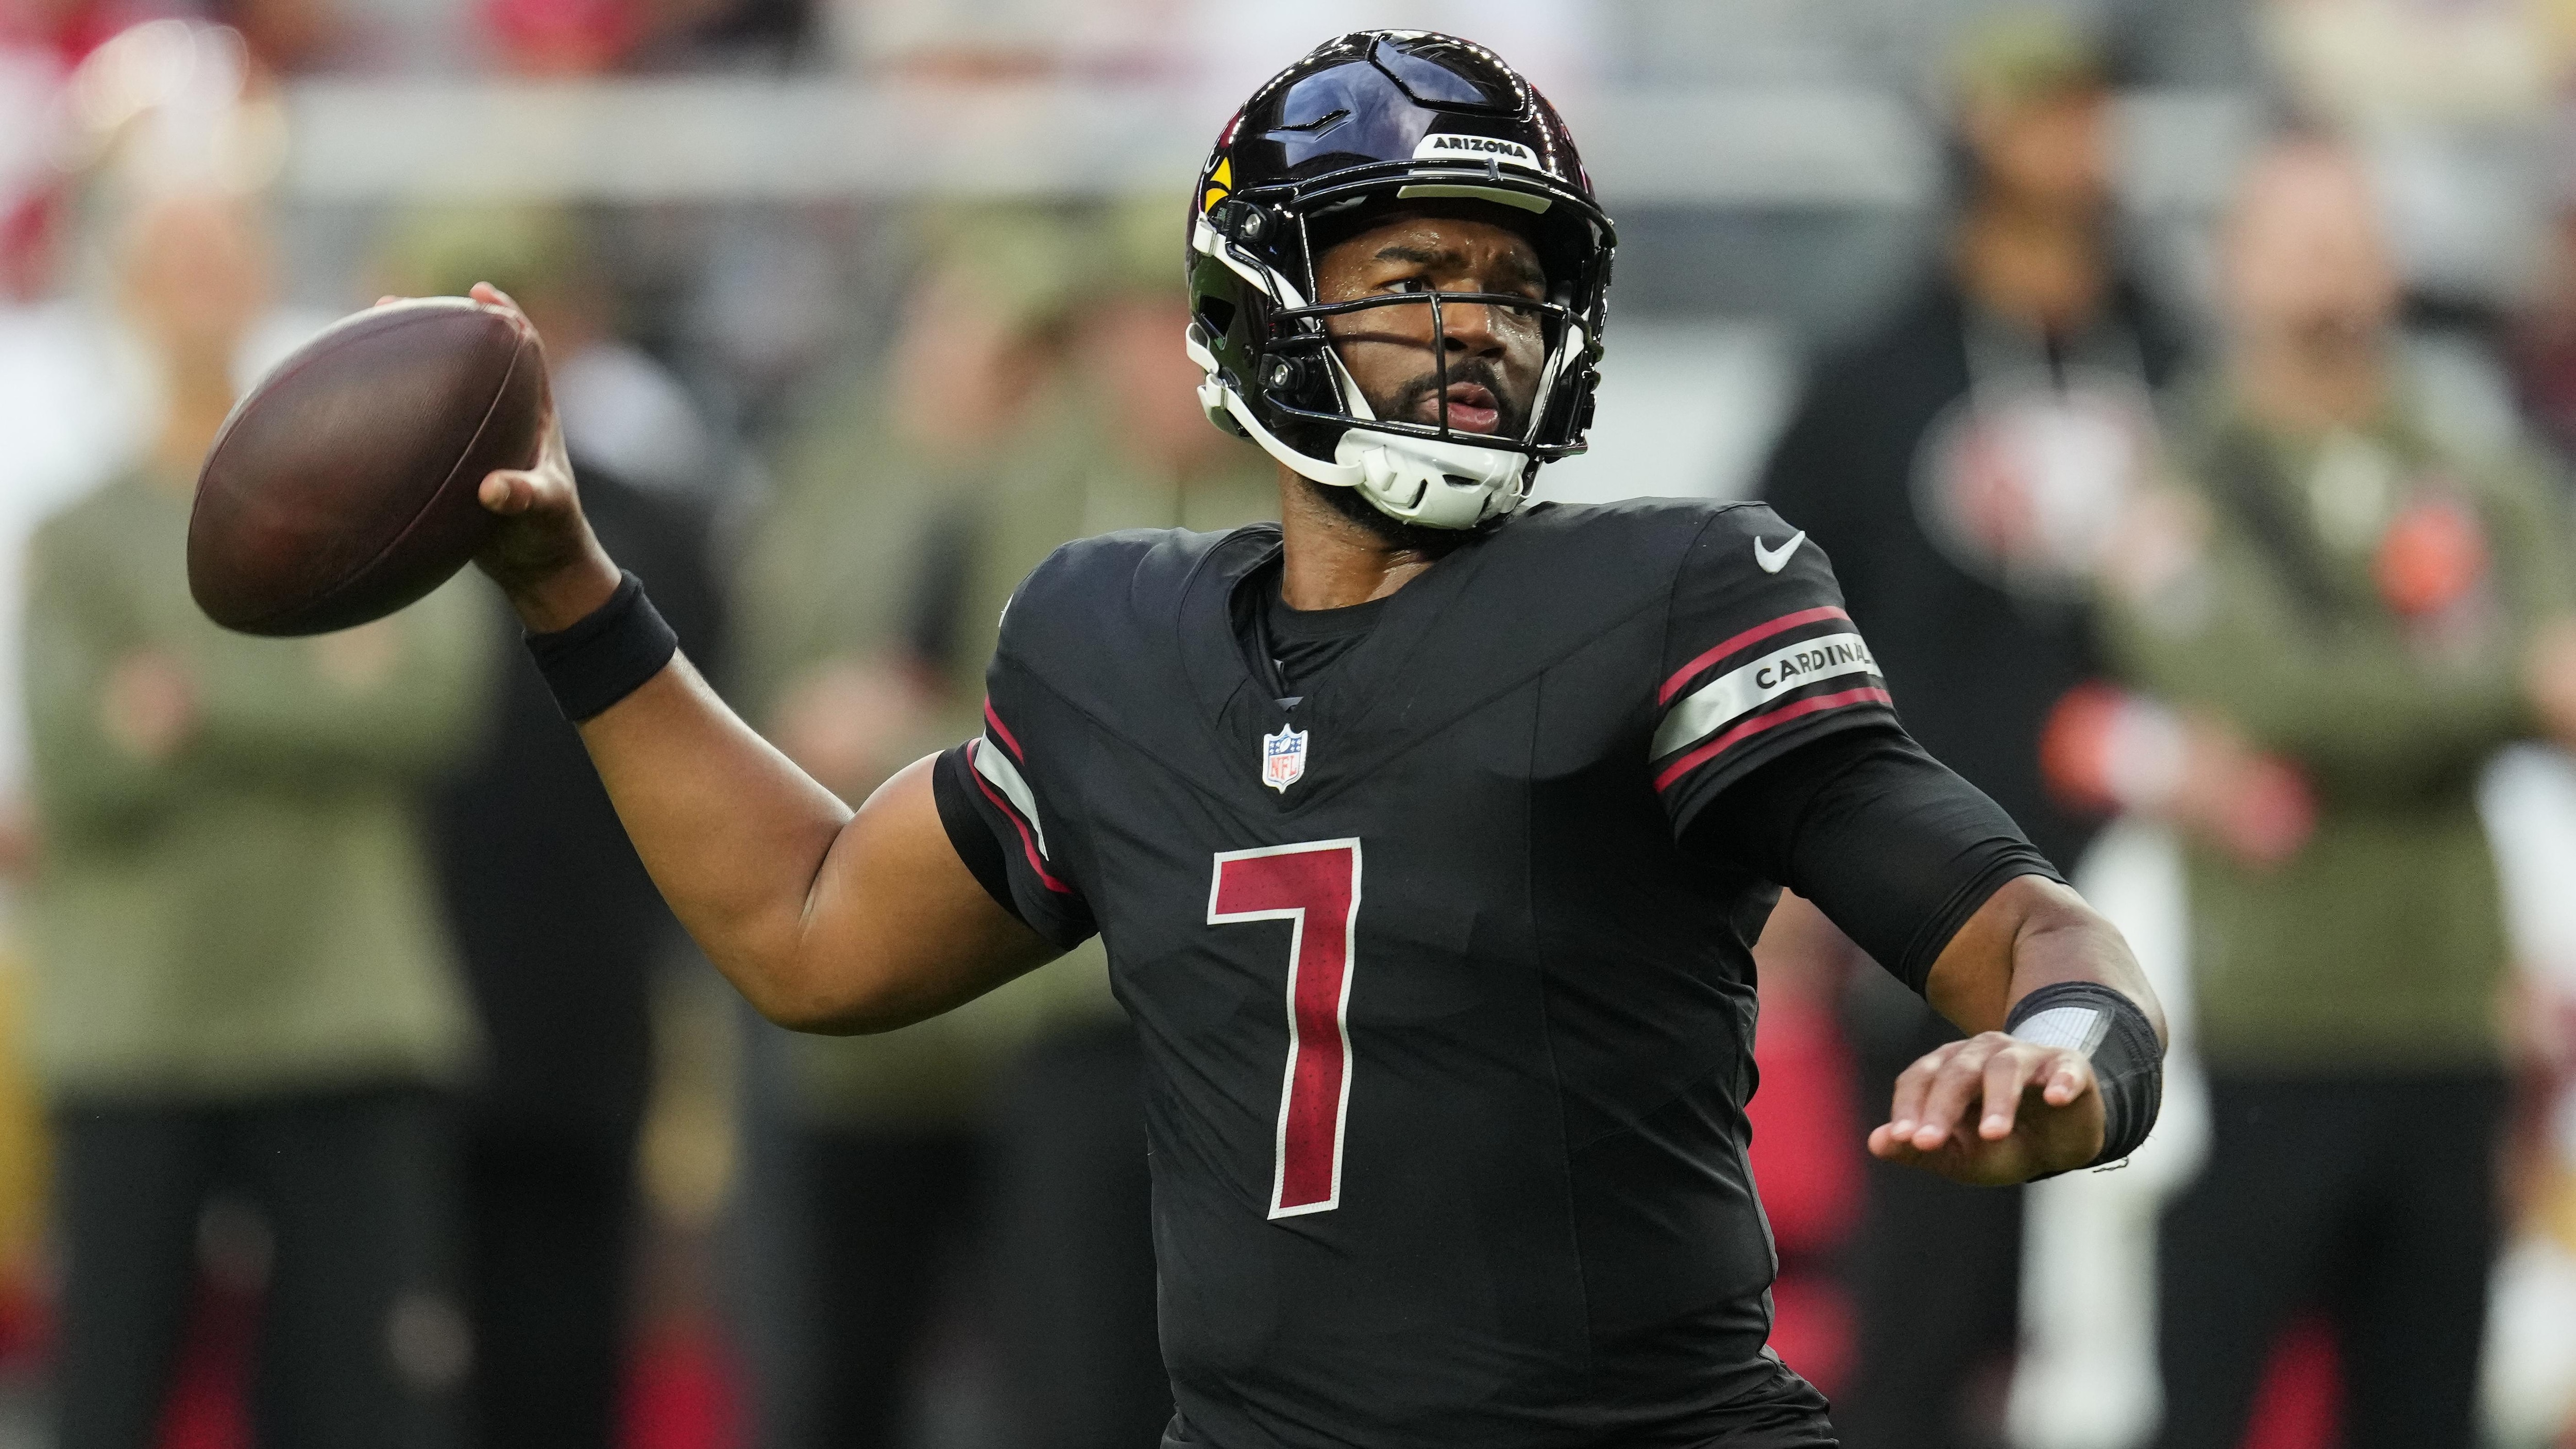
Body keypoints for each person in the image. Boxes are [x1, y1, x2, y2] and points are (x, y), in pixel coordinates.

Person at [439, 31, 2167, 1446]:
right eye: (1415, 273)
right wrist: (574, 595)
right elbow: (810, 925)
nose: (1480, 324)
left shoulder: (1670, 593)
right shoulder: (1113, 640)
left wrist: (2067, 1051)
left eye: (1517, 284)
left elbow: (2017, 920)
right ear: (1256, 305)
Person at [2083, 134, 2576, 1449]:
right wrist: (2489, 688)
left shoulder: (2465, 459)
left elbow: (2551, 630)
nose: (2330, 277)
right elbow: (2268, 690)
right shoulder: (2178, 475)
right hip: (2259, 1021)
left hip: (2450, 1014)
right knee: (2206, 1404)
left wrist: (2375, 691)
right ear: (2231, 268)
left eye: (2352, 243)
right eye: (2299, 245)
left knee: (2429, 1408)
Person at [1752, 15, 2182, 1441]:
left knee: (2137, 1328)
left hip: (2158, 901)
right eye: (2047, 106)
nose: (2081, 139)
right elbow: (1772, 619)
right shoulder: (1872, 374)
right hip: (1939, 909)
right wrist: (1785, 860)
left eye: (2093, 104)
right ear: (1975, 125)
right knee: (1928, 1309)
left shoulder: (2178, 356)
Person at [24, 189, 488, 1449]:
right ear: (122, 292)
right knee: (106, 1391)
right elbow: (80, 762)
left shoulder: (376, 503)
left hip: (345, 1010)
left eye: (223, 256)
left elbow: (432, 706)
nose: (200, 287)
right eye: (172, 259)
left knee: (370, 1398)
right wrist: (311, 683)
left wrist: (184, 700)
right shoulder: (78, 533)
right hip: (136, 1021)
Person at [386, 207, 731, 1449]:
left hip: (578, 995)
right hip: (407, 1000)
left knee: (563, 1338)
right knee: (400, 1345)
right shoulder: (370, 528)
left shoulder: (653, 522)